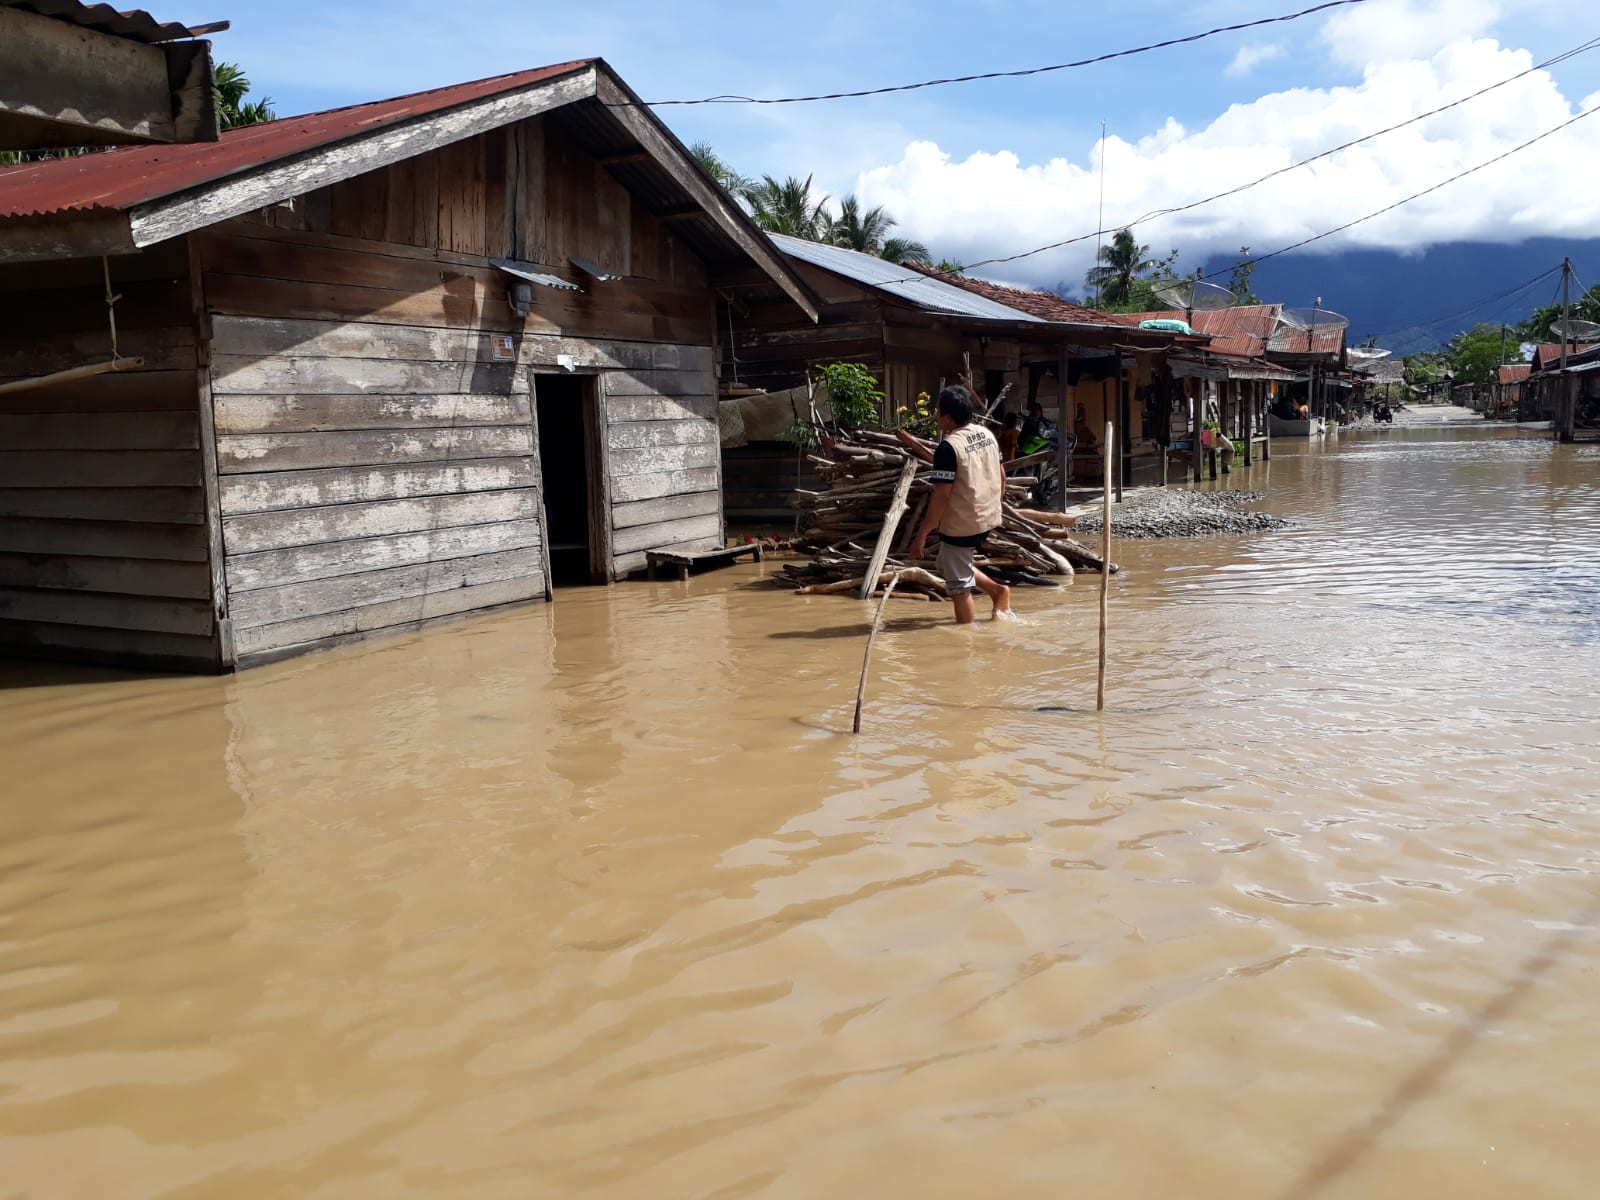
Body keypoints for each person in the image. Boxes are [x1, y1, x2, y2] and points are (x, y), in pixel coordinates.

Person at [896, 386, 1012, 624]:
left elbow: (942, 497)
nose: (937, 417)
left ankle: (966, 641)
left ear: (948, 417)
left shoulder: (948, 448)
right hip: (987, 517)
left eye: (938, 412)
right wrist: (994, 505)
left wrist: (921, 537)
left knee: (959, 588)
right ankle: (997, 591)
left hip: (963, 525)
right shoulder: (986, 434)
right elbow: (1002, 475)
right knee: (949, 561)